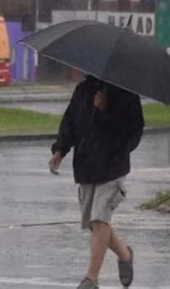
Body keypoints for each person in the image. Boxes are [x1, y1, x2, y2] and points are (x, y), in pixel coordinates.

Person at [48, 75, 144, 289]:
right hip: (86, 165)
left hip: (112, 166)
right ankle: (125, 255)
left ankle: (91, 279)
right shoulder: (83, 90)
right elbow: (70, 123)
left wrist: (106, 110)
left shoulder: (125, 93)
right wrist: (60, 150)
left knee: (100, 219)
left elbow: (134, 130)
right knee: (94, 223)